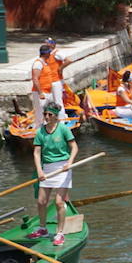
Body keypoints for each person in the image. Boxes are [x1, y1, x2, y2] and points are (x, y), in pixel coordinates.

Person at [29, 103, 77, 245]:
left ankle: (60, 233)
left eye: (50, 115)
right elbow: (37, 153)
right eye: (45, 114)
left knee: (59, 202)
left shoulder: (63, 129)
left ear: (56, 116)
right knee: (41, 201)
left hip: (63, 167)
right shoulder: (40, 132)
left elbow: (74, 147)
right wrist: (39, 170)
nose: (47, 117)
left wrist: (69, 162)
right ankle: (43, 228)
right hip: (47, 168)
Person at [29, 44, 64, 128]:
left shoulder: (45, 63)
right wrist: (40, 93)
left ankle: (52, 125)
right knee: (40, 112)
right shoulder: (38, 64)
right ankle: (39, 128)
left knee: (50, 109)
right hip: (41, 92)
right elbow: (35, 79)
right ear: (46, 54)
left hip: (48, 91)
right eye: (49, 53)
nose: (50, 55)